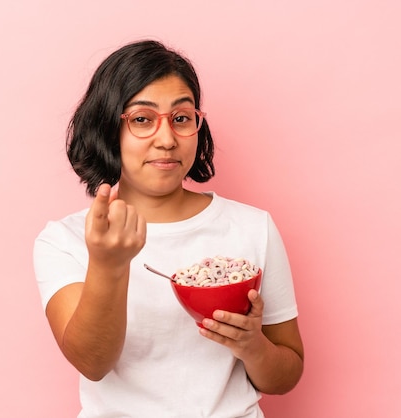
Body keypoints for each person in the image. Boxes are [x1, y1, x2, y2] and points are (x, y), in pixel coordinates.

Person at [33, 39, 304, 417]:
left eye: (181, 118)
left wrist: (252, 346)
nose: (166, 140)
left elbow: (286, 375)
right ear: (108, 129)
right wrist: (109, 264)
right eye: (142, 119)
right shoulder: (65, 241)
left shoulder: (251, 227)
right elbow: (92, 363)